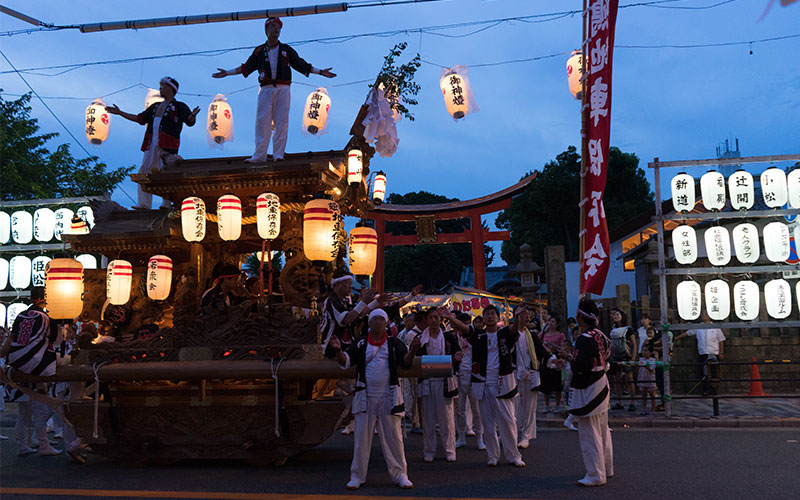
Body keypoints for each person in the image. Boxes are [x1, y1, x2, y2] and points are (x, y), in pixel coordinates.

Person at [212, 17, 336, 163]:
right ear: (266, 30)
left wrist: (320, 72)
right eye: (273, 26)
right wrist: (227, 72)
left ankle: (278, 154)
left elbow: (300, 64)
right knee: (262, 122)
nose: (276, 29)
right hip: (266, 89)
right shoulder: (259, 51)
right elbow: (247, 67)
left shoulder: (286, 49)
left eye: (278, 27)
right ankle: (259, 155)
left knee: (281, 122)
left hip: (283, 88)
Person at [330, 309, 414, 490]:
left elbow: (405, 362)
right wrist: (338, 351)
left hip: (388, 396)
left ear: (386, 323)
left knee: (394, 439)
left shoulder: (393, 343)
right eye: (374, 319)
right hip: (365, 396)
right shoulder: (360, 342)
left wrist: (413, 349)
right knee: (361, 438)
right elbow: (346, 361)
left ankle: (401, 474)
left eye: (380, 319)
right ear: (369, 323)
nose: (377, 322)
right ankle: (357, 476)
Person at [3, 287, 83, 461]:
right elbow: (57, 341)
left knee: (24, 414)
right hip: (36, 364)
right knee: (41, 410)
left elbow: (11, 340)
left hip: (17, 363)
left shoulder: (21, 316)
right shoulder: (46, 318)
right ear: (43, 299)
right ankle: (43, 445)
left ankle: (23, 445)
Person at [443, 305, 525, 468]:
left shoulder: (503, 334)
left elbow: (515, 328)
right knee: (487, 423)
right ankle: (493, 455)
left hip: (503, 383)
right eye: (487, 314)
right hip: (482, 382)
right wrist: (450, 318)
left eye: (492, 314)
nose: (489, 317)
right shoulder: (478, 335)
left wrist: (517, 316)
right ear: (483, 318)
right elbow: (465, 328)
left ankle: (513, 455)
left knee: (508, 422)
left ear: (498, 317)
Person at [106, 77, 199, 209]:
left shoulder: (179, 106)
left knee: (166, 172)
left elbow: (189, 121)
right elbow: (140, 118)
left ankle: (166, 203)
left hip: (168, 144)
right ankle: (143, 203)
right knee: (144, 172)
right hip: (151, 143)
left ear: (171, 88)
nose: (160, 89)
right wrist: (120, 113)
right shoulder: (155, 106)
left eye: (163, 86)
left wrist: (192, 116)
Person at [561, 299, 613, 487]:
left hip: (589, 386)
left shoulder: (584, 339)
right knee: (602, 429)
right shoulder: (600, 335)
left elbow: (581, 366)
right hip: (601, 382)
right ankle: (607, 467)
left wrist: (568, 357)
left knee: (589, 432)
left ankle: (595, 474)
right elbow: (607, 355)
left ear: (580, 317)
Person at [413, 307, 462, 462]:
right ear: (426, 320)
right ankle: (429, 450)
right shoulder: (421, 338)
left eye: (436, 318)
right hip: (427, 381)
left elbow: (457, 353)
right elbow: (415, 357)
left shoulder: (448, 337)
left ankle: (450, 450)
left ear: (440, 320)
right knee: (428, 419)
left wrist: (456, 356)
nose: (434, 321)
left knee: (446, 419)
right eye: (431, 318)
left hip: (444, 380)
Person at [514, 305, 546, 449]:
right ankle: (511, 433)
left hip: (530, 373)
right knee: (513, 407)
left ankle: (525, 435)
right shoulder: (509, 334)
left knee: (529, 407)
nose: (527, 317)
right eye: (523, 314)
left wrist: (551, 360)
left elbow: (541, 352)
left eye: (528, 314)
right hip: (514, 373)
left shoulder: (531, 335)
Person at [675, 312, 725, 396]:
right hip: (703, 353)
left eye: (705, 315)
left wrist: (721, 353)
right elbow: (688, 333)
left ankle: (714, 390)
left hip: (713, 352)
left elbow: (721, 341)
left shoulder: (715, 327)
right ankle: (705, 390)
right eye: (702, 315)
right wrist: (676, 338)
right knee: (703, 373)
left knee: (714, 373)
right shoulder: (698, 326)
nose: (703, 316)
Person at [454, 312, 484, 450]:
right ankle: (461, 436)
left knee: (476, 408)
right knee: (460, 409)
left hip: (474, 374)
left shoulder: (476, 336)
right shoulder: (453, 338)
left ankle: (480, 438)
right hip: (460, 374)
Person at [608, 308, 638, 411]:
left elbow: (634, 344)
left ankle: (632, 402)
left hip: (626, 356)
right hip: (616, 356)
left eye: (618, 314)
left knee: (629, 379)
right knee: (617, 380)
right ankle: (619, 402)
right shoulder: (613, 328)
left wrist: (633, 358)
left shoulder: (628, 329)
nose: (615, 316)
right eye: (614, 315)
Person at [539, 316, 567, 412]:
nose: (551, 323)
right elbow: (538, 343)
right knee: (545, 382)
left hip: (556, 358)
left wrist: (553, 346)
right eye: (550, 321)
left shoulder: (560, 335)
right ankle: (546, 405)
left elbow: (563, 348)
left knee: (557, 383)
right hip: (546, 358)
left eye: (553, 321)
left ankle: (557, 405)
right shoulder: (543, 334)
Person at [637, 344, 658, 415]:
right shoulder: (641, 359)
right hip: (642, 378)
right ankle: (643, 409)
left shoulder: (652, 360)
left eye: (646, 351)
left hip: (650, 378)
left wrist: (645, 366)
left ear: (650, 352)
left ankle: (653, 409)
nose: (644, 352)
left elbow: (651, 370)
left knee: (652, 395)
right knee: (643, 395)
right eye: (643, 350)